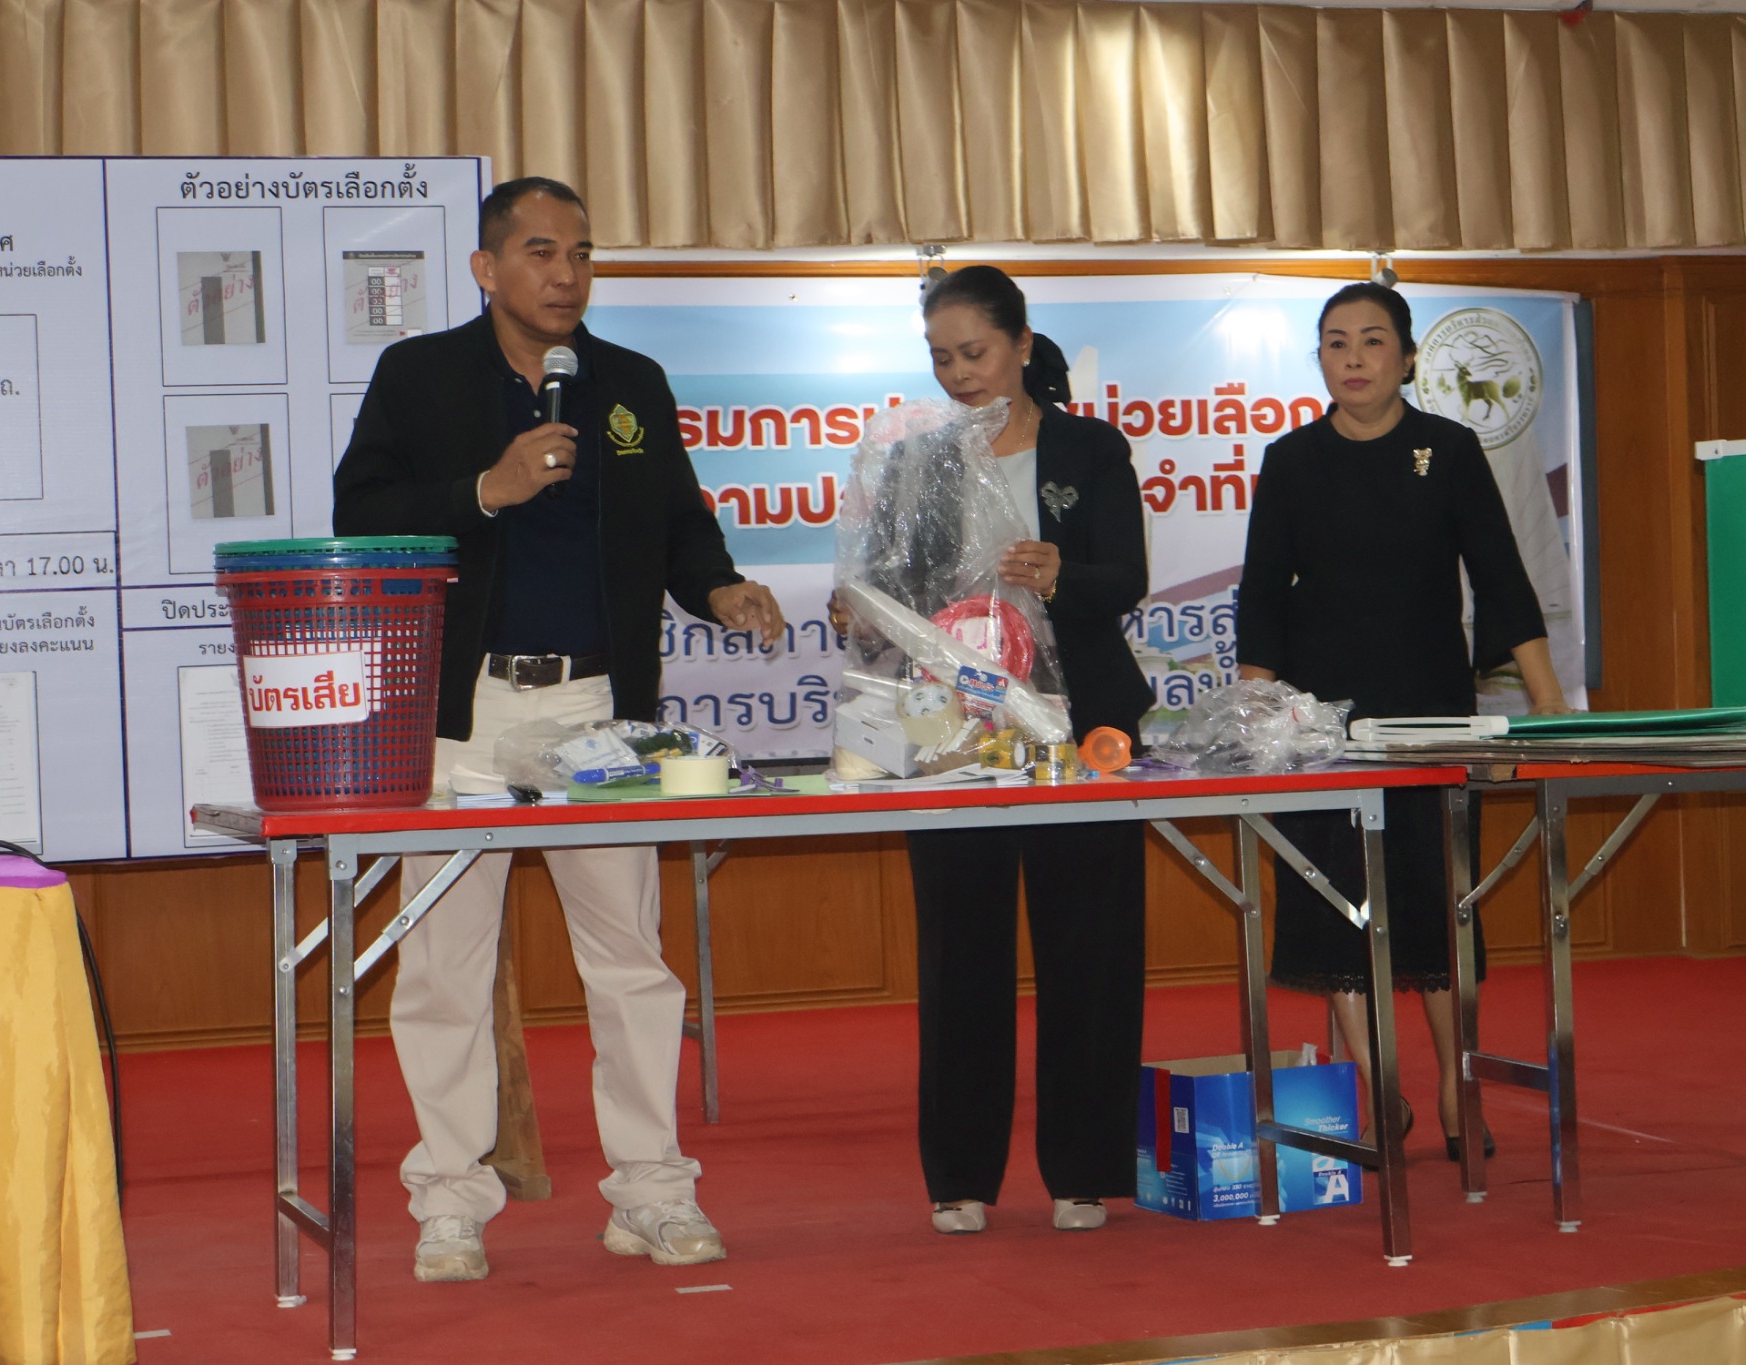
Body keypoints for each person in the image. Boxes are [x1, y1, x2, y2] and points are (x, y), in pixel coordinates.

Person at [332, 176, 784, 1282]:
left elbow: (679, 525)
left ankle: (651, 1192)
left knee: (631, 961)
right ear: (486, 269)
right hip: (463, 715)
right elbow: (360, 512)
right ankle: (450, 1201)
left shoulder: (630, 382)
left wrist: (719, 587)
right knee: (444, 967)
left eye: (580, 254)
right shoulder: (420, 375)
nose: (566, 274)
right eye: (540, 252)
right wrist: (484, 490)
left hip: (598, 715)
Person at [833, 265, 1151, 1233]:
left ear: (1020, 345)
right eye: (941, 358)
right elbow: (887, 586)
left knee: (1088, 952)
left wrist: (1061, 573)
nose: (960, 373)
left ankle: (1083, 1171)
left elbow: (1125, 578)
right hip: (953, 733)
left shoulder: (1088, 447)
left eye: (974, 352)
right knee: (959, 952)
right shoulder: (915, 460)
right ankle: (960, 1176)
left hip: (1078, 730)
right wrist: (858, 606)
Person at [1235, 281, 1568, 1157]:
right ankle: (1381, 1089)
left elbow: (1501, 578)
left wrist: (1549, 703)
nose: (1354, 358)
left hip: (1431, 716)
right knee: (1338, 911)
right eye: (1336, 342)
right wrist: (1255, 713)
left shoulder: (1448, 449)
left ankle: (1461, 1091)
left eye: (1373, 340)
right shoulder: (1291, 458)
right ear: (1319, 359)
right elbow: (1261, 594)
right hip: (1321, 723)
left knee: (1439, 908)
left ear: (1409, 357)